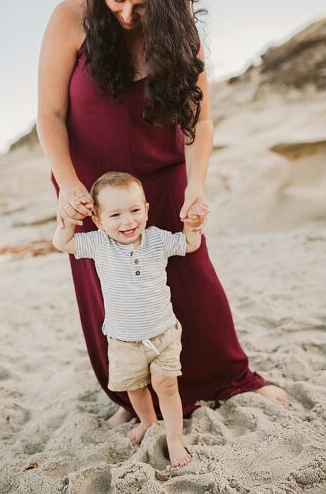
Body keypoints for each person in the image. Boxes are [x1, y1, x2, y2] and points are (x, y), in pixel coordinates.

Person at [36, 0, 288, 428]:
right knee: (116, 294)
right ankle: (140, 396)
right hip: (93, 192)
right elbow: (50, 115)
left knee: (193, 279)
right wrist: (67, 183)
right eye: (116, 0)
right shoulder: (71, 16)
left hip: (165, 176)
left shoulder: (180, 34)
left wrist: (196, 184)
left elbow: (200, 120)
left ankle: (226, 378)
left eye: (142, 5)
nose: (127, 15)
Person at [54, 172, 208, 467]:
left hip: (163, 332)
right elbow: (63, 243)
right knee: (135, 387)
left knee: (166, 385)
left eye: (135, 211)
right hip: (123, 339)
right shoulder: (99, 244)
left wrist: (194, 226)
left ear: (147, 210)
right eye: (115, 215)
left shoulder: (157, 239)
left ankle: (175, 440)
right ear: (98, 220)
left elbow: (189, 245)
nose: (127, 222)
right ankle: (148, 421)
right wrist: (69, 222)